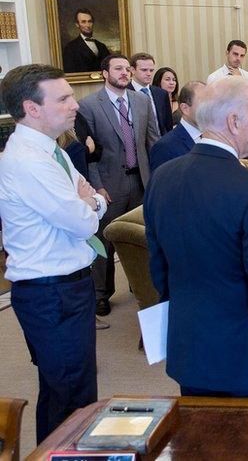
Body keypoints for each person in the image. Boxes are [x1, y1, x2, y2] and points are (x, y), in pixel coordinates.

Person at [144, 77, 248, 398]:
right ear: (234, 121)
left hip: (188, 350)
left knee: (200, 442)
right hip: (246, 358)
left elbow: (159, 271)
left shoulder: (162, 177)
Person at [0, 64, 107, 441]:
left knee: (71, 391)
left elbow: (91, 198)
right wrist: (90, 205)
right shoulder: (29, 161)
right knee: (69, 397)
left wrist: (89, 202)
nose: (74, 104)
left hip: (61, 288)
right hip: (51, 292)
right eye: (62, 98)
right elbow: (84, 221)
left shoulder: (52, 151)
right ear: (31, 108)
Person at [77, 54, 160, 316]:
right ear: (105, 73)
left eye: (126, 68)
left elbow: (153, 142)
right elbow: (88, 154)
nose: (124, 73)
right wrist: (97, 187)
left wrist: (158, 178)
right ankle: (102, 293)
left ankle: (141, 286)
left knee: (141, 238)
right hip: (108, 185)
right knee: (106, 239)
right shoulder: (88, 105)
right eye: (118, 69)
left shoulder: (141, 101)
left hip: (142, 181)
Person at [149, 81, 205, 172]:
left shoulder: (215, 138)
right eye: (203, 104)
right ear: (185, 108)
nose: (210, 109)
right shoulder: (165, 147)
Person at [128, 53, 174, 134]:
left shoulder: (161, 94)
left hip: (160, 142)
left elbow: (168, 125)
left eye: (151, 70)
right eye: (144, 70)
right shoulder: (124, 92)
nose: (149, 74)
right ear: (132, 70)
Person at [61, 9, 111, 73]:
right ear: (77, 24)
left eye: (89, 21)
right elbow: (69, 73)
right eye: (83, 22)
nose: (87, 25)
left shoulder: (102, 46)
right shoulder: (70, 47)